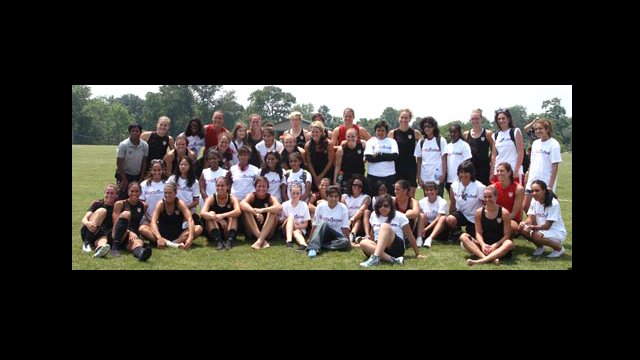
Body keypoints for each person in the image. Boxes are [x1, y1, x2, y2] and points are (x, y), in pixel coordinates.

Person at [359, 194, 426, 267]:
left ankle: (375, 258)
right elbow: (372, 232)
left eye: (385, 205)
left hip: (396, 247)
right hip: (380, 246)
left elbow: (410, 236)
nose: (382, 208)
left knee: (385, 226)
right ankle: (393, 260)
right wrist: (371, 244)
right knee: (363, 242)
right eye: (379, 206)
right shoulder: (373, 215)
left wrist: (417, 254)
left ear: (391, 206)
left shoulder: (400, 216)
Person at [461, 186, 514, 266]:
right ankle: (488, 259)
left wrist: (495, 245)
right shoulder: (479, 212)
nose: (487, 199)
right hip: (484, 245)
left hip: (498, 246)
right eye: (485, 197)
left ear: (496, 197)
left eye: (490, 197)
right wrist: (483, 245)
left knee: (509, 243)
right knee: (463, 236)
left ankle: (479, 261)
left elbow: (507, 235)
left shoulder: (504, 213)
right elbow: (478, 233)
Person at [144, 182, 203, 250]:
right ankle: (171, 244)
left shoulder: (180, 203)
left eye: (170, 193)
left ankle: (170, 243)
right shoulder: (160, 204)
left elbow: (190, 220)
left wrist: (190, 238)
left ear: (175, 193)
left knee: (199, 228)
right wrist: (159, 238)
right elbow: (153, 222)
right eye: (165, 193)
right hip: (162, 234)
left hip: (178, 235)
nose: (167, 195)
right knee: (142, 228)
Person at [519, 180, 567, 258]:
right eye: (532, 191)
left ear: (544, 191)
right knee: (521, 229)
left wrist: (532, 227)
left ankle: (559, 249)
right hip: (542, 230)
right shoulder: (534, 200)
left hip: (556, 232)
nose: (534, 193)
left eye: (537, 190)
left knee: (535, 235)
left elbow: (547, 226)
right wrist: (524, 224)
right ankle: (540, 247)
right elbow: (530, 217)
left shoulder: (553, 203)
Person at [523, 119, 562, 213]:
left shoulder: (554, 144)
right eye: (536, 129)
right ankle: (535, 225)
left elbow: (555, 166)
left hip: (545, 181)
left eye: (540, 128)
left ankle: (540, 226)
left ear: (547, 129)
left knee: (543, 208)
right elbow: (532, 162)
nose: (537, 131)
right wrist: (528, 174)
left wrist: (550, 186)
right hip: (532, 179)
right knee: (525, 205)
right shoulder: (535, 143)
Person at [306, 185, 352, 258]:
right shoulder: (320, 206)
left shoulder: (343, 208)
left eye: (336, 196)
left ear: (339, 197)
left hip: (336, 235)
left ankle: (321, 245)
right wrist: (310, 238)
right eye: (331, 196)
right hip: (323, 232)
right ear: (327, 196)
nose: (333, 198)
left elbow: (344, 227)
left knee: (345, 242)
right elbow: (315, 224)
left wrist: (348, 242)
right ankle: (313, 248)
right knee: (323, 223)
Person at [110, 182, 152, 261]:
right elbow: (116, 223)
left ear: (140, 192)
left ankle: (141, 254)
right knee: (127, 214)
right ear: (128, 192)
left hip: (133, 235)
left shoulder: (144, 205)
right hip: (118, 233)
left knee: (138, 243)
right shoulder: (120, 204)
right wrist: (128, 232)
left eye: (137, 191)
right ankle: (115, 248)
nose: (134, 193)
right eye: (132, 191)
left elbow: (149, 219)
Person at [445, 161, 486, 241]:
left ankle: (471, 230)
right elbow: (453, 203)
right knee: (450, 219)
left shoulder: (479, 186)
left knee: (473, 238)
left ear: (471, 173)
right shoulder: (454, 186)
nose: (463, 175)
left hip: (475, 217)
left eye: (466, 172)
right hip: (461, 214)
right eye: (461, 172)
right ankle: (456, 231)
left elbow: (486, 204)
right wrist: (450, 217)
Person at [240, 176, 282, 250]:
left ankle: (259, 241)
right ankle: (262, 240)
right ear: (255, 187)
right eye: (259, 186)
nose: (261, 189)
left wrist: (262, 210)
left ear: (267, 188)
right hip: (252, 231)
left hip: (268, 232)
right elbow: (242, 203)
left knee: (272, 212)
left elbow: (279, 207)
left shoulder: (270, 197)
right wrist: (255, 212)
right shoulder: (251, 196)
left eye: (264, 186)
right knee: (246, 211)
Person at [200, 176, 241, 250]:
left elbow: (238, 211)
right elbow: (202, 213)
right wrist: (216, 218)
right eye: (218, 185)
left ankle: (230, 240)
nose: (220, 188)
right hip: (213, 229)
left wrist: (222, 215)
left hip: (228, 228)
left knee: (233, 216)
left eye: (222, 186)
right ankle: (218, 241)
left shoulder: (232, 198)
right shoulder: (211, 198)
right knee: (210, 213)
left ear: (227, 187)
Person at [389, 109, 421, 197]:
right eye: (401, 117)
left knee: (410, 197)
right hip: (397, 168)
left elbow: (423, 148)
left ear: (410, 119)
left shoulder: (415, 133)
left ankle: (411, 211)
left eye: (406, 118)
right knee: (398, 196)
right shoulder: (393, 133)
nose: (403, 120)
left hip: (411, 167)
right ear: (398, 118)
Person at [80, 184, 118, 258]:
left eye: (112, 193)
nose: (109, 195)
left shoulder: (117, 207)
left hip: (102, 233)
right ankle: (86, 243)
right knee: (102, 211)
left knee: (104, 242)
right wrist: (88, 223)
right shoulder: (97, 203)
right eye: (107, 193)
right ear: (104, 193)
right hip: (90, 229)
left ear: (116, 195)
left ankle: (99, 250)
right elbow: (84, 219)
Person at [414, 116, 447, 197]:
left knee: (438, 200)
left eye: (429, 126)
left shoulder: (441, 140)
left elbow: (444, 159)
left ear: (434, 127)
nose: (427, 128)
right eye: (425, 126)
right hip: (425, 177)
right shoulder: (421, 142)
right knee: (427, 202)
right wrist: (419, 177)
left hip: (437, 177)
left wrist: (443, 175)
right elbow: (419, 160)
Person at [365, 120, 399, 196]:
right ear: (375, 131)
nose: (380, 133)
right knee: (372, 198)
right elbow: (369, 158)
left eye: (383, 131)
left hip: (389, 175)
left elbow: (394, 156)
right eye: (378, 130)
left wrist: (379, 154)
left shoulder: (392, 141)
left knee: (390, 198)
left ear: (386, 132)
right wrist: (387, 156)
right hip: (373, 175)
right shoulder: (370, 142)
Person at [491, 108, 524, 184]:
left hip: (513, 170)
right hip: (499, 172)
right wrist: (492, 171)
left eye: (503, 118)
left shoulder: (515, 131)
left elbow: (520, 152)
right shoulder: (495, 135)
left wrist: (516, 170)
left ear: (508, 119)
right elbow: (493, 155)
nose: (501, 121)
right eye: (499, 119)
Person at [115, 124, 149, 200]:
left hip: (137, 175)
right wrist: (124, 179)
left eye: (137, 131)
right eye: (132, 131)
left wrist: (141, 178)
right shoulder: (123, 145)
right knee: (122, 196)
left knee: (136, 196)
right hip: (124, 174)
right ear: (129, 132)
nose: (135, 133)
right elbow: (119, 163)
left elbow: (144, 163)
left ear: (140, 133)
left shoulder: (145, 145)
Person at [463, 108, 494, 186]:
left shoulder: (488, 133)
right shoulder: (466, 134)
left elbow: (494, 153)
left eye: (477, 119)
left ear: (481, 119)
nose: (475, 121)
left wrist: (492, 171)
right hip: (470, 170)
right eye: (473, 119)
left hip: (484, 170)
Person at [167, 156, 200, 227]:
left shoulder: (195, 182)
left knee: (186, 226)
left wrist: (185, 208)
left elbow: (196, 201)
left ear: (190, 166)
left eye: (186, 165)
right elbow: (166, 195)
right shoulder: (172, 179)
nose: (183, 167)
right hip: (174, 208)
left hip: (189, 209)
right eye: (181, 164)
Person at [493, 162, 525, 234]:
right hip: (496, 217)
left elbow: (514, 214)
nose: (499, 173)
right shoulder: (493, 187)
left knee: (511, 226)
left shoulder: (518, 189)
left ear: (509, 172)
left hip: (511, 219)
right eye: (497, 171)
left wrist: (500, 220)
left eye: (502, 171)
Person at [416, 181, 448, 248]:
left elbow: (438, 218)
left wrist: (426, 229)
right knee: (421, 215)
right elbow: (420, 218)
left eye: (431, 190)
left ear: (436, 191)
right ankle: (419, 238)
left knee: (442, 218)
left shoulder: (442, 202)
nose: (429, 192)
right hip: (425, 228)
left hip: (438, 227)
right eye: (427, 190)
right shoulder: (421, 202)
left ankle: (429, 239)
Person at [341, 174, 371, 244]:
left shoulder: (366, 197)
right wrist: (347, 221)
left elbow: (362, 210)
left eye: (360, 186)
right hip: (346, 221)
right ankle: (351, 235)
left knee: (359, 217)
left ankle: (352, 234)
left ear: (363, 187)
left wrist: (352, 219)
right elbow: (343, 211)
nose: (357, 187)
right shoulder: (344, 197)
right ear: (351, 185)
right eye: (355, 185)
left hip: (359, 222)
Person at [444, 124, 472, 198]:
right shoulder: (447, 146)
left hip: (460, 179)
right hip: (449, 179)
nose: (453, 134)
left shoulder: (464, 145)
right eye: (451, 132)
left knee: (461, 200)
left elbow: (467, 162)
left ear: (459, 133)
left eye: (455, 132)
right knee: (453, 201)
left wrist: (462, 175)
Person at [279, 184, 310, 250]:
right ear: (290, 193)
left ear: (300, 194)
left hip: (299, 229)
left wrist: (297, 226)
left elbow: (306, 224)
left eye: (297, 193)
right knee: (291, 217)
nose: (295, 195)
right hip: (286, 229)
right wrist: (289, 220)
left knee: (296, 232)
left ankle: (303, 244)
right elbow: (280, 221)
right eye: (293, 193)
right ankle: (289, 241)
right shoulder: (285, 204)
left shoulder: (304, 205)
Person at [305, 121, 334, 190]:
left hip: (326, 171)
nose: (315, 134)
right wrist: (315, 176)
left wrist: (321, 176)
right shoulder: (307, 145)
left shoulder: (328, 144)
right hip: (314, 172)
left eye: (317, 132)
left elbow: (330, 161)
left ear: (321, 132)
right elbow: (309, 162)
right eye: (313, 132)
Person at [138, 159, 167, 228]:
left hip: (163, 219)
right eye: (154, 170)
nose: (157, 172)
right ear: (151, 170)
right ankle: (159, 238)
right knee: (142, 229)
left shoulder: (166, 184)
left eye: (159, 170)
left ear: (162, 170)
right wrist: (149, 218)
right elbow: (141, 204)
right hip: (147, 218)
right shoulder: (144, 184)